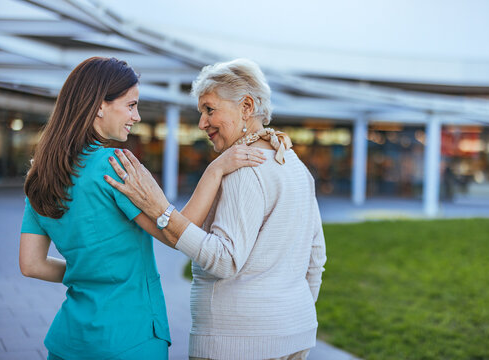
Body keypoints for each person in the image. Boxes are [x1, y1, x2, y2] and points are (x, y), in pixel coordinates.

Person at [19, 56, 265, 360]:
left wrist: (87, 271)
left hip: (68, 341)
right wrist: (215, 170)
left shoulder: (40, 176)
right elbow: (178, 231)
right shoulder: (116, 166)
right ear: (99, 106)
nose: (136, 116)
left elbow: (32, 265)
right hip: (130, 340)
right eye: (131, 105)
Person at [105, 58, 327, 360]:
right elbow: (316, 259)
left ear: (246, 107)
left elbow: (224, 260)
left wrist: (161, 209)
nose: (202, 123)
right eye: (201, 112)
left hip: (237, 344)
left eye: (210, 109)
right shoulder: (296, 166)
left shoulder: (242, 170)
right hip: (294, 337)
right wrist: (287, 320)